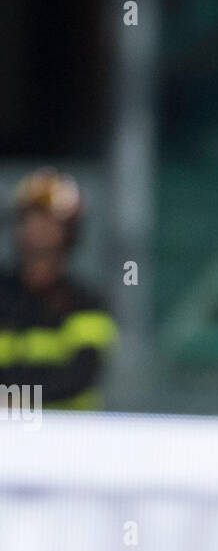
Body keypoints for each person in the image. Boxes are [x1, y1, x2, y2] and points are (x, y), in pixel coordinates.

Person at [0, 169, 117, 410]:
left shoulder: (87, 303)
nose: (39, 227)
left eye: (49, 219)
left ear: (70, 231)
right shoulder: (5, 296)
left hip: (67, 440)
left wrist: (14, 400)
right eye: (30, 217)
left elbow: (80, 376)